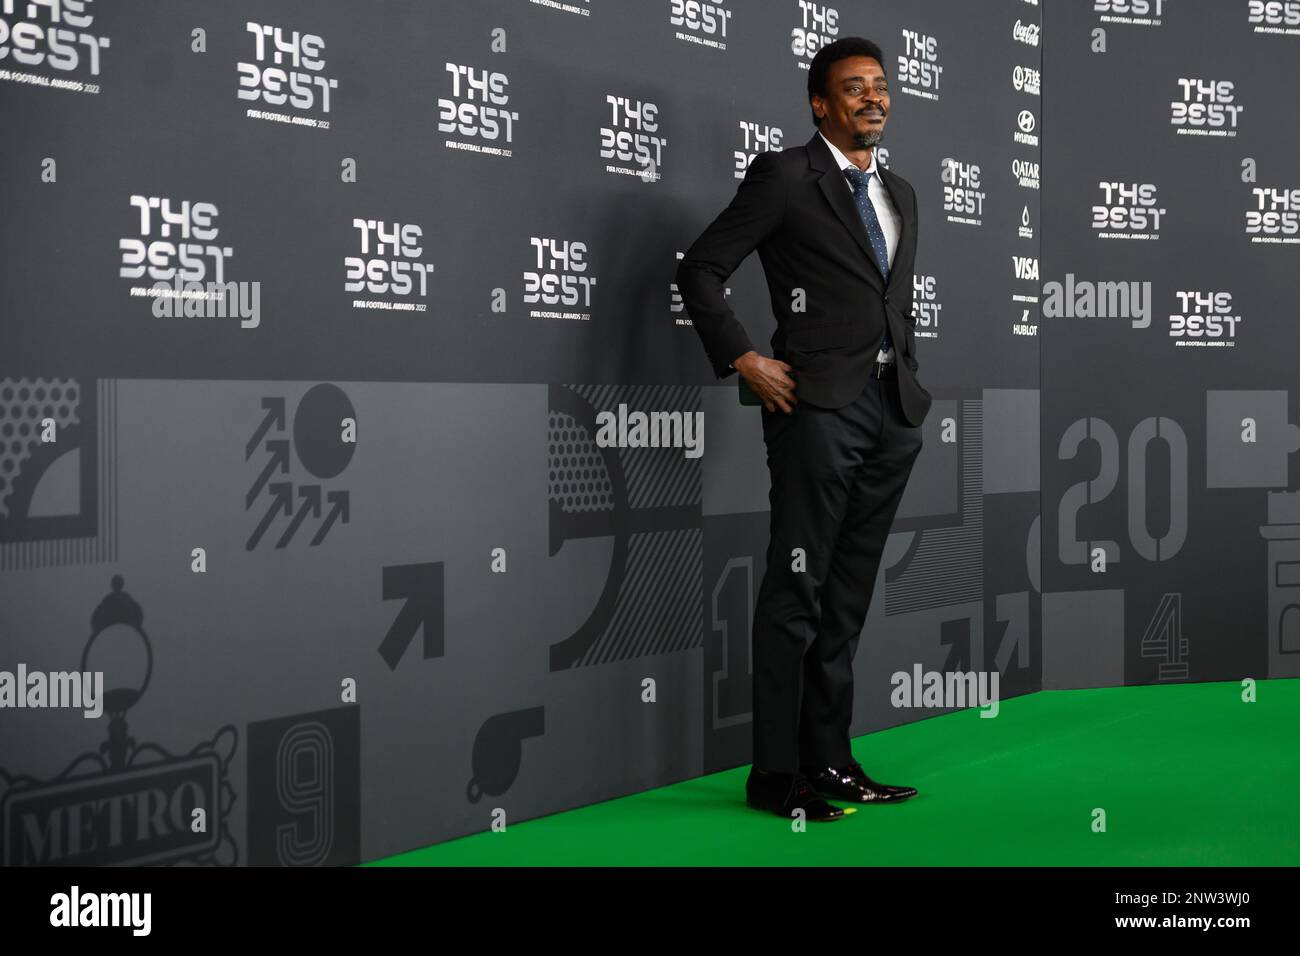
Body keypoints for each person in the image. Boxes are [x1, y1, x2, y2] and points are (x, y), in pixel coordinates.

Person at [676, 37, 932, 821]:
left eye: (880, 87)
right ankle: (776, 777)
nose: (873, 99)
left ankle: (833, 762)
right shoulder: (785, 177)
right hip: (815, 411)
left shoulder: (904, 193)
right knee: (799, 589)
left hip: (891, 413)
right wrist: (745, 360)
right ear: (820, 103)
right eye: (853, 89)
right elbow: (701, 269)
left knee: (846, 597)